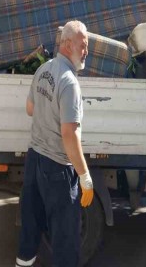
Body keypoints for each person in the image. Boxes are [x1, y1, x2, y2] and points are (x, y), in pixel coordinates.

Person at [16, 20, 94, 267]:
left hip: (34, 162)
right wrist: (84, 176)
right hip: (57, 172)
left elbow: (30, 108)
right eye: (83, 45)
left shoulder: (44, 70)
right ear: (67, 44)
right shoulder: (69, 82)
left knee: (30, 229)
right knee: (65, 240)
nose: (86, 51)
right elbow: (69, 134)